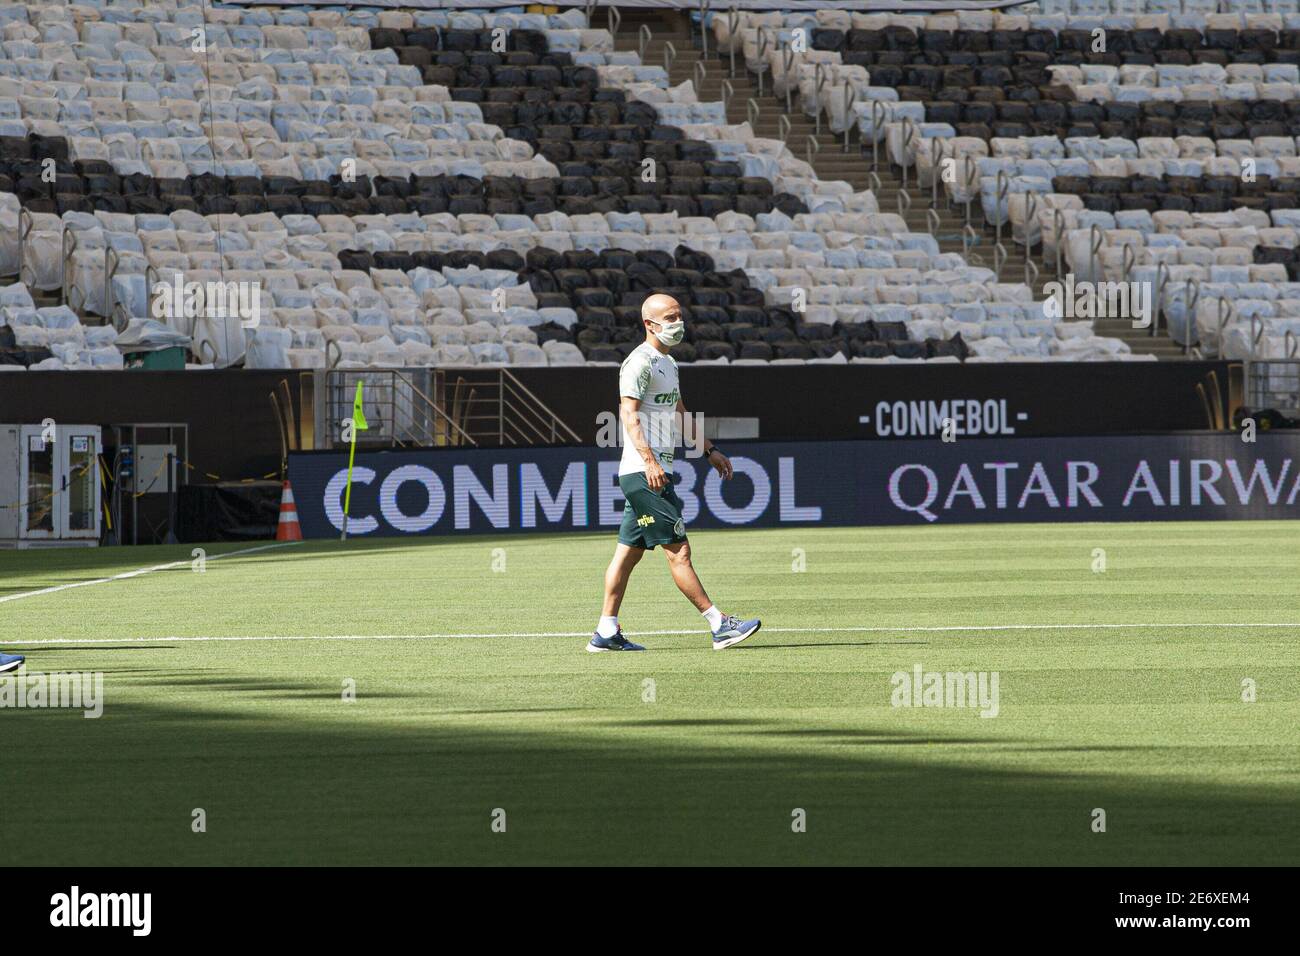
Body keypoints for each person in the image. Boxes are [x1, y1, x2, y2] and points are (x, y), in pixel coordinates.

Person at [589, 293, 761, 653]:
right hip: (644, 472)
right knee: (678, 552)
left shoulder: (668, 364)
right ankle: (719, 625)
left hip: (652, 470)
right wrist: (650, 462)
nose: (677, 323)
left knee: (627, 554)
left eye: (679, 316)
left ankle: (606, 632)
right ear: (649, 324)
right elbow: (628, 415)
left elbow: (680, 413)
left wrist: (709, 450)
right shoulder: (638, 363)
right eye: (669, 318)